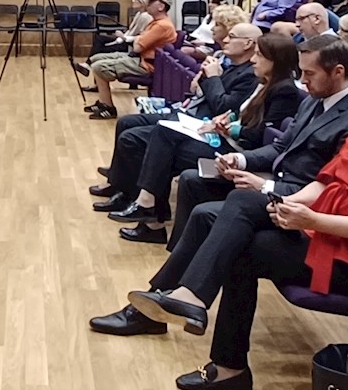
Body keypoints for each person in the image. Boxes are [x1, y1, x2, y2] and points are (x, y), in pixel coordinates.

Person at [96, 55, 348, 390]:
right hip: (328, 236)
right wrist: (291, 205)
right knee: (229, 209)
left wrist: (311, 220)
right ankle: (190, 310)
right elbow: (326, 181)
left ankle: (214, 346)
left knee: (239, 245)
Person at [89, 35, 348, 336]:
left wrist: (265, 186)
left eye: (309, 74)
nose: (302, 80)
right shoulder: (317, 100)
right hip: (276, 184)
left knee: (224, 209)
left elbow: (328, 189)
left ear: (338, 71)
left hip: (297, 204)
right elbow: (280, 148)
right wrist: (240, 160)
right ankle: (164, 301)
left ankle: (173, 301)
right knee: (197, 193)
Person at [104, 29, 304, 244]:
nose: (254, 60)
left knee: (162, 148)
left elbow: (259, 134)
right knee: (161, 143)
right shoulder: (264, 82)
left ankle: (150, 214)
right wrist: (228, 120)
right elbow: (242, 113)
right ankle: (150, 215)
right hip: (224, 138)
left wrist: (231, 128)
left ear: (276, 60)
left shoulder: (284, 90)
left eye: (260, 56)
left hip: (238, 152)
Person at [92, 20, 263, 215]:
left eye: (232, 37)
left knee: (136, 139)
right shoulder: (230, 64)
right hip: (194, 116)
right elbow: (199, 92)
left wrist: (212, 77)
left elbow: (222, 107)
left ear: (248, 43)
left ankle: (139, 201)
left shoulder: (250, 74)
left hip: (208, 128)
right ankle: (120, 185)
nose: (225, 40)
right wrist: (203, 79)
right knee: (127, 122)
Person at [78, 0, 177, 118]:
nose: (148, 4)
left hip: (147, 65)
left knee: (99, 67)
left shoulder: (162, 25)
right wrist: (137, 39)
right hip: (142, 59)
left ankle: (108, 108)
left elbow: (137, 46)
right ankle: (103, 102)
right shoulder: (157, 22)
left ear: (161, 7)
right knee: (96, 59)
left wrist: (136, 39)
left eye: (152, 2)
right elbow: (139, 39)